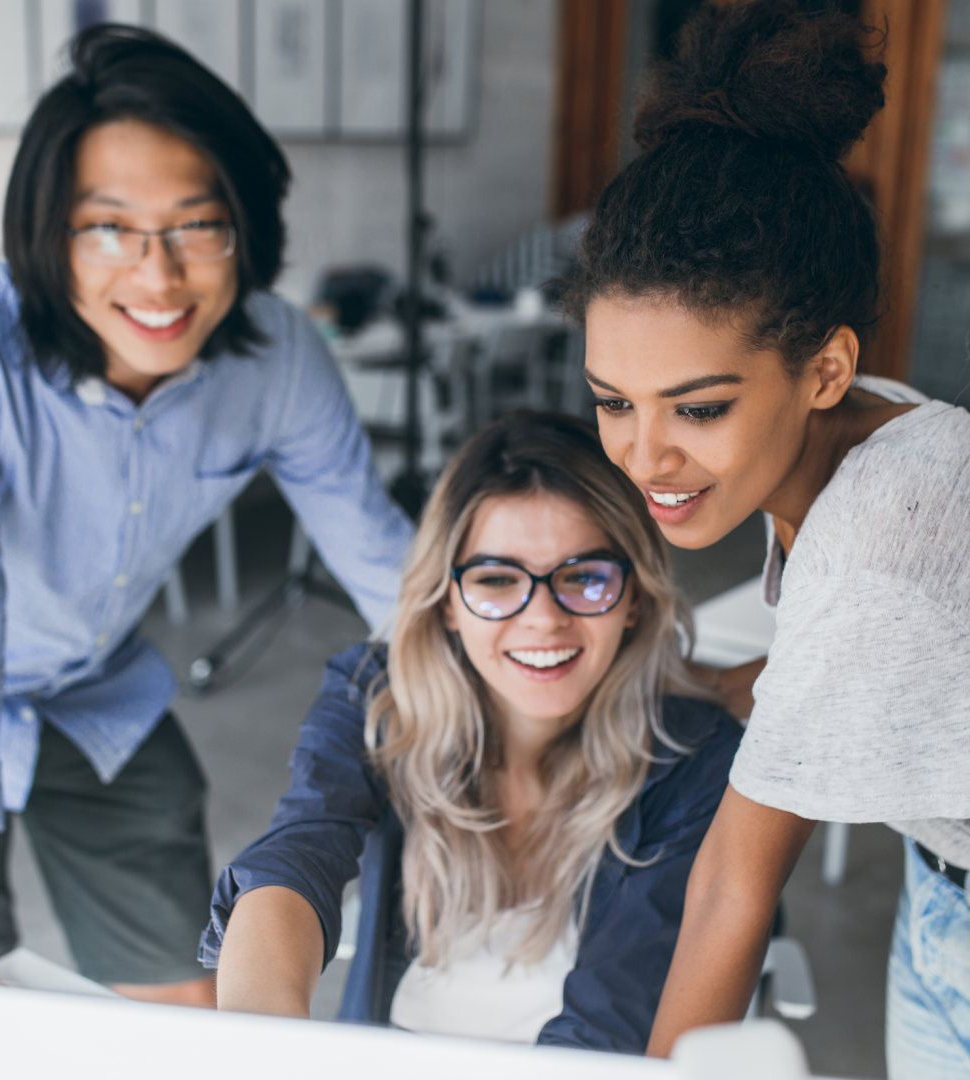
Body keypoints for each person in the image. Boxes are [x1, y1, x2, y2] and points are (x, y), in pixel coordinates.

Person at [0, 26, 413, 1006]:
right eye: (109, 228)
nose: (159, 276)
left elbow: (385, 562)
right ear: (49, 234)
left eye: (197, 225)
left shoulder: (276, 358)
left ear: (247, 228)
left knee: (186, 1012)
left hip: (91, 689)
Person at [570, 1, 970, 1075]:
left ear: (826, 368)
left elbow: (731, 888)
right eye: (613, 401)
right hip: (949, 898)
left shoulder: (876, 550)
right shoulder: (882, 425)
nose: (645, 454)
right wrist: (731, 686)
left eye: (698, 408)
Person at [203, 411, 742, 1051]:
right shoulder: (377, 692)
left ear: (634, 598)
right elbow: (296, 857)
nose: (543, 618)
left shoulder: (692, 755)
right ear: (448, 601)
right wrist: (256, 1043)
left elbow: (617, 1010)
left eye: (585, 577)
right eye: (495, 580)